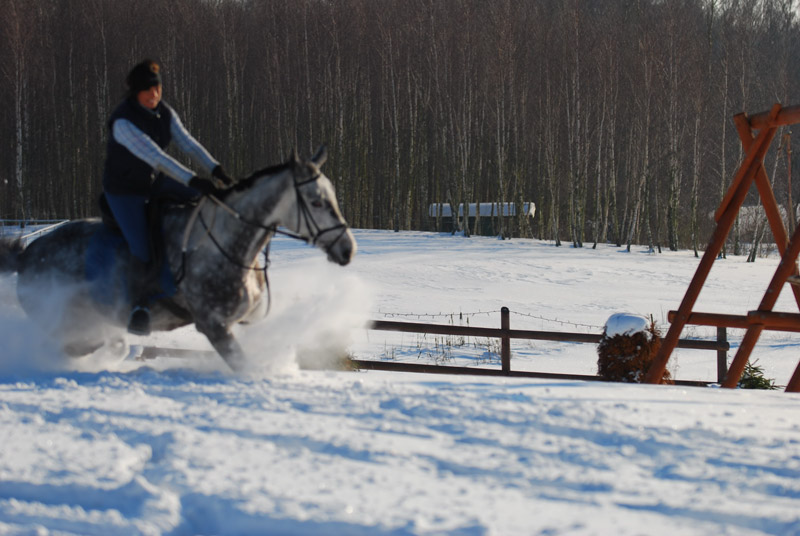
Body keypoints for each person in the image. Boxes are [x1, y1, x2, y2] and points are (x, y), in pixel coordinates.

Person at [102, 59, 233, 336]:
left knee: (207, 200)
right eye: (147, 91)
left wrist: (214, 169)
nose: (154, 95)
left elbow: (187, 143)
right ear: (135, 93)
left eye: (157, 89)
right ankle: (139, 307)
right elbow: (157, 157)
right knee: (141, 247)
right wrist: (193, 179)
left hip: (152, 183)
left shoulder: (164, 113)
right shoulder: (123, 122)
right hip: (125, 192)